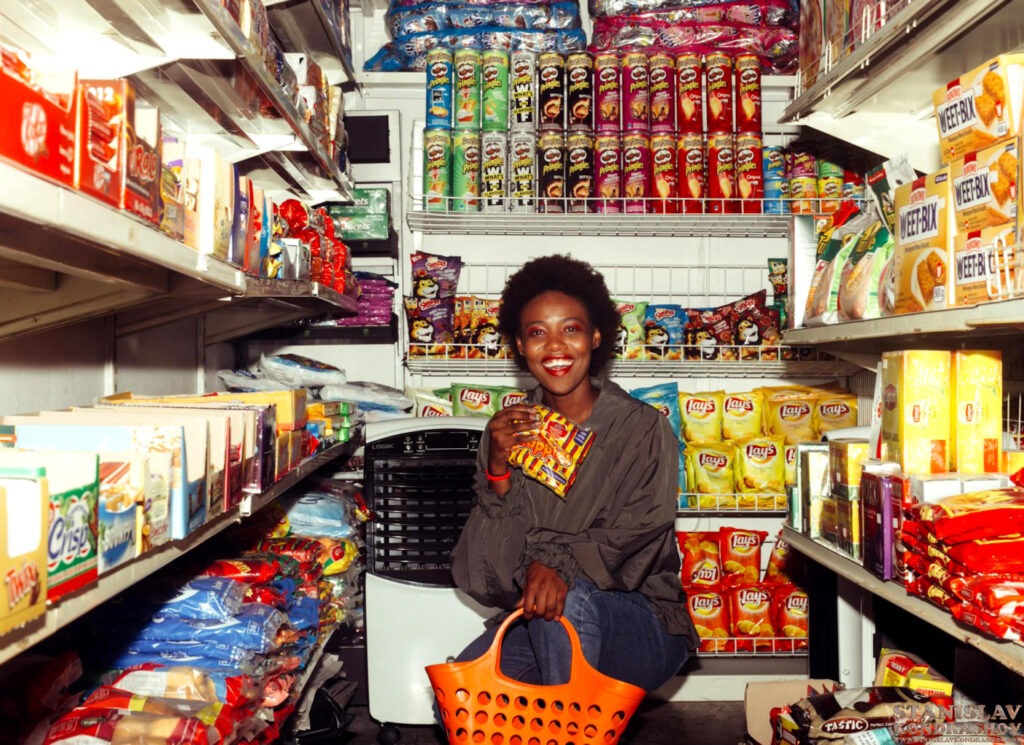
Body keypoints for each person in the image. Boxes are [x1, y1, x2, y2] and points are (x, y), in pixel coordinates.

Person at [448, 254, 697, 694]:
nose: (556, 347)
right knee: (463, 696)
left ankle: (569, 727)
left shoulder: (641, 427)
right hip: (544, 618)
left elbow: (637, 534)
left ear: (596, 336)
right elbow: (488, 577)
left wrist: (557, 561)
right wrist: (498, 471)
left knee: (561, 603)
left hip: (643, 623)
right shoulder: (507, 432)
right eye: (538, 333)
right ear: (521, 347)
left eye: (571, 329)